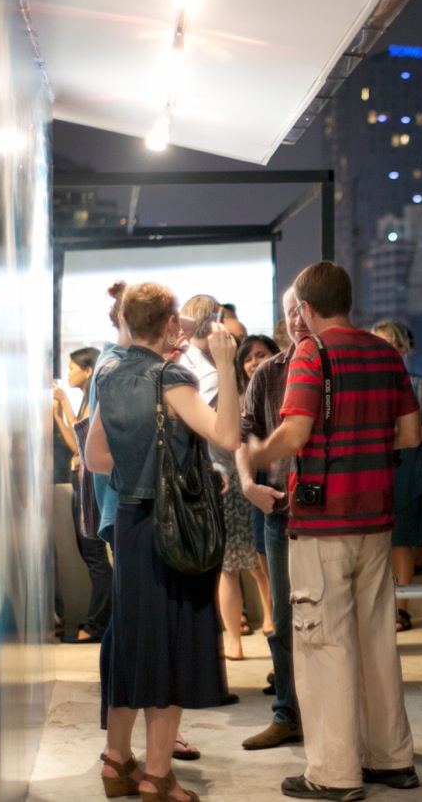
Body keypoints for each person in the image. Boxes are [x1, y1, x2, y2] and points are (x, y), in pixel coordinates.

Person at [249, 261, 422, 801]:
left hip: (324, 524)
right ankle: (391, 759)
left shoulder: (312, 352)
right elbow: (411, 434)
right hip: (376, 520)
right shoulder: (384, 351)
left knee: (323, 642)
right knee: (375, 640)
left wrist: (260, 451)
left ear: (304, 307)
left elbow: (295, 430)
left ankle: (334, 773)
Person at [85, 282, 241, 802]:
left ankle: (116, 762)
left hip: (130, 521)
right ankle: (157, 775)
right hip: (173, 526)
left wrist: (144, 466)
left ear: (126, 321)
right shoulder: (171, 375)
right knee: (169, 646)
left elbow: (95, 460)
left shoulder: (107, 374)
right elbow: (226, 436)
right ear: (173, 323)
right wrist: (226, 363)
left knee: (132, 642)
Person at [235, 288, 308, 751]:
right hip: (281, 511)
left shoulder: (338, 366)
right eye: (291, 312)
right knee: (281, 621)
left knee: (335, 624)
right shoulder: (270, 372)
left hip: (337, 516)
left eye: (304, 309)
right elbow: (242, 435)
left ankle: (337, 715)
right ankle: (287, 714)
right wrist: (247, 483)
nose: (298, 320)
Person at [177, 295, 261, 663]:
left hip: (223, 477)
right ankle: (232, 640)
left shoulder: (192, 365)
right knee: (228, 566)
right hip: (220, 478)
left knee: (239, 565)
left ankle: (238, 638)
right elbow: (223, 434)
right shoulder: (209, 372)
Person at [371, 320, 422, 633]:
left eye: (387, 343)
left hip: (405, 468)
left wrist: (399, 435)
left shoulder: (415, 383)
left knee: (401, 541)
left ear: (401, 348)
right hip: (370, 471)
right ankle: (375, 610)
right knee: (371, 543)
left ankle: (402, 609)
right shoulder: (364, 382)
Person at [52, 346, 110, 644]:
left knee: (95, 554)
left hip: (90, 482)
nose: (69, 372)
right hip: (84, 482)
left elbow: (78, 446)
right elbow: (80, 432)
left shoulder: (97, 397)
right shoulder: (90, 398)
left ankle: (98, 626)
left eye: (73, 367)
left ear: (88, 370)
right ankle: (99, 623)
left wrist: (61, 407)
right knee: (91, 553)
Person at [237, 333, 281, 638]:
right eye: (248, 358)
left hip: (287, 479)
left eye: (261, 354)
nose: (254, 362)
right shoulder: (240, 396)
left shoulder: (286, 388)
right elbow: (240, 441)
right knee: (264, 556)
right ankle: (275, 619)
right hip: (255, 481)